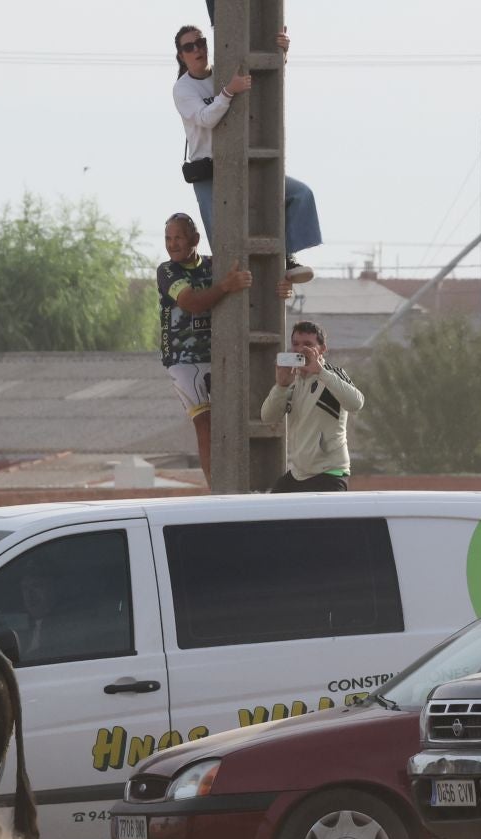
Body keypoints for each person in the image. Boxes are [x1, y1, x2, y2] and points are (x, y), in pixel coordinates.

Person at [172, 23, 320, 282]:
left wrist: (281, 55)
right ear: (181, 56)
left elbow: (262, 86)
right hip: (209, 171)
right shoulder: (183, 88)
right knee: (223, 239)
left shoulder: (225, 71)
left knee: (300, 194)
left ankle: (287, 258)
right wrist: (229, 91)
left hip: (244, 162)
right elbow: (206, 119)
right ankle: (228, 285)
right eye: (189, 47)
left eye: (201, 42)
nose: (197, 49)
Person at [157, 212, 251, 483]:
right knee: (205, 424)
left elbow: (249, 280)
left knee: (234, 420)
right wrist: (224, 287)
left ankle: (239, 479)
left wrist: (282, 286)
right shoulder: (167, 271)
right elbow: (191, 302)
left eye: (178, 238)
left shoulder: (215, 265)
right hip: (184, 360)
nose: (172, 244)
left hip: (219, 355)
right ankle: (214, 487)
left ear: (195, 239)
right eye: (168, 238)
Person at [261, 320, 363, 493]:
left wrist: (320, 372)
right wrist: (281, 386)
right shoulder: (293, 380)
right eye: (295, 344)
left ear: (322, 349)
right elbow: (268, 417)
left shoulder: (332, 374)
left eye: (308, 344)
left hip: (329, 473)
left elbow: (356, 403)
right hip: (299, 473)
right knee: (270, 511)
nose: (301, 349)